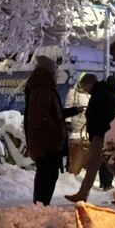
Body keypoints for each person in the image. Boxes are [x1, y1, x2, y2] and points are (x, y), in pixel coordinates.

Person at [24, 56, 81, 205]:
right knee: (47, 175)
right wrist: (55, 132)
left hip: (46, 141)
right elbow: (41, 116)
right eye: (55, 71)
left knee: (47, 175)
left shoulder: (44, 87)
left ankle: (41, 205)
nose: (56, 74)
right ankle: (41, 206)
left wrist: (73, 111)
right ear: (49, 72)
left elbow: (53, 113)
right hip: (47, 143)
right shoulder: (42, 88)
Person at [65, 76, 115, 202]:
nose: (84, 89)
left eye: (84, 85)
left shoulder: (100, 94)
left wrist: (98, 132)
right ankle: (83, 194)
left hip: (101, 135)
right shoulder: (104, 92)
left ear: (89, 84)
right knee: (96, 165)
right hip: (104, 134)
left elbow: (101, 116)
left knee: (109, 165)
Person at [65, 73, 95, 174]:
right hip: (75, 129)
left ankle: (80, 172)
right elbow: (68, 107)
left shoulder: (90, 94)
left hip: (86, 128)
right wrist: (68, 122)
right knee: (75, 152)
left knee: (84, 153)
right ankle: (72, 172)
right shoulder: (73, 93)